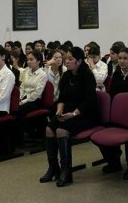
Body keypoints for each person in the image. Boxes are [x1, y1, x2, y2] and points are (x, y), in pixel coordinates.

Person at [40, 46, 98, 187]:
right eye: (66, 59)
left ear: (79, 61)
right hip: (67, 112)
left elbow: (89, 101)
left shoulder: (87, 75)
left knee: (61, 130)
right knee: (49, 129)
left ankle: (66, 172)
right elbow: (62, 97)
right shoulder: (66, 75)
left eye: (70, 59)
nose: (66, 61)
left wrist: (73, 114)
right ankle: (53, 168)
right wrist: (59, 111)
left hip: (85, 113)